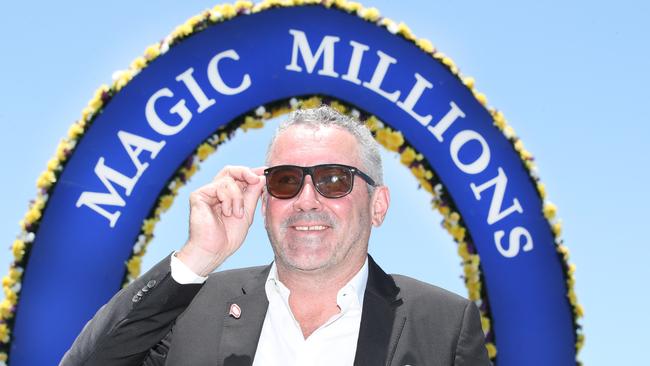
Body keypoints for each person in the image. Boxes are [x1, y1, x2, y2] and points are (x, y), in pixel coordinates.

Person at [61, 105, 490, 366]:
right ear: (264, 201)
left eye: (334, 180)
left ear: (378, 205)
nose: (307, 199)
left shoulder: (444, 325)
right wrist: (197, 258)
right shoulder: (192, 309)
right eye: (286, 181)